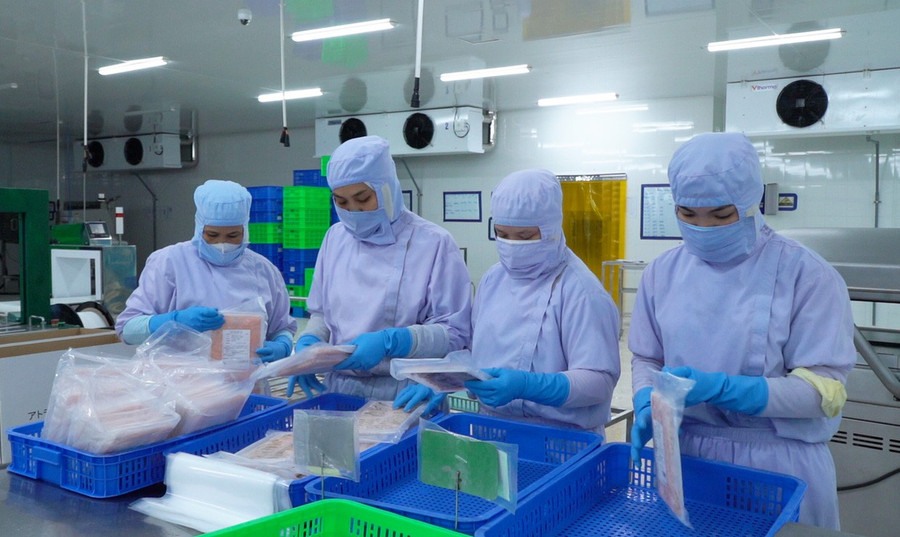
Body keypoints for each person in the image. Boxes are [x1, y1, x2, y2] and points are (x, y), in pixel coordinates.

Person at [628, 132, 855, 529]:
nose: (703, 227)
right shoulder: (662, 273)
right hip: (688, 461)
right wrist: (647, 399)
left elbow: (824, 392)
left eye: (720, 215)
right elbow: (647, 356)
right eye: (688, 214)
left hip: (778, 464)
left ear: (752, 204)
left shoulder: (806, 274)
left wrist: (724, 389)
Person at [395, 169, 621, 432]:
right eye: (502, 234)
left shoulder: (580, 291)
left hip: (560, 439)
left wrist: (526, 386)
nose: (512, 245)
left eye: (524, 237)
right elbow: (473, 350)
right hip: (491, 429)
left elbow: (598, 382)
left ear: (551, 230)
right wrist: (440, 380)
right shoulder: (493, 279)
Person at [287, 135, 472, 401]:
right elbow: (322, 315)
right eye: (341, 201)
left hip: (406, 393)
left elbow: (454, 334)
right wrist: (310, 346)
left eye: (362, 199)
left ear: (386, 189)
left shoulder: (434, 243)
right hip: (339, 389)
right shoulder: (335, 238)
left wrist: (394, 341)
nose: (354, 211)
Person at [116, 179, 296, 364]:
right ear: (199, 227)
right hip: (179, 386)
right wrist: (174, 321)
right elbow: (127, 330)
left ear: (245, 230)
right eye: (212, 235)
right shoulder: (169, 262)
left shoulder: (264, 270)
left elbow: (282, 328)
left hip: (246, 385)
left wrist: (283, 345)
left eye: (233, 236)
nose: (222, 244)